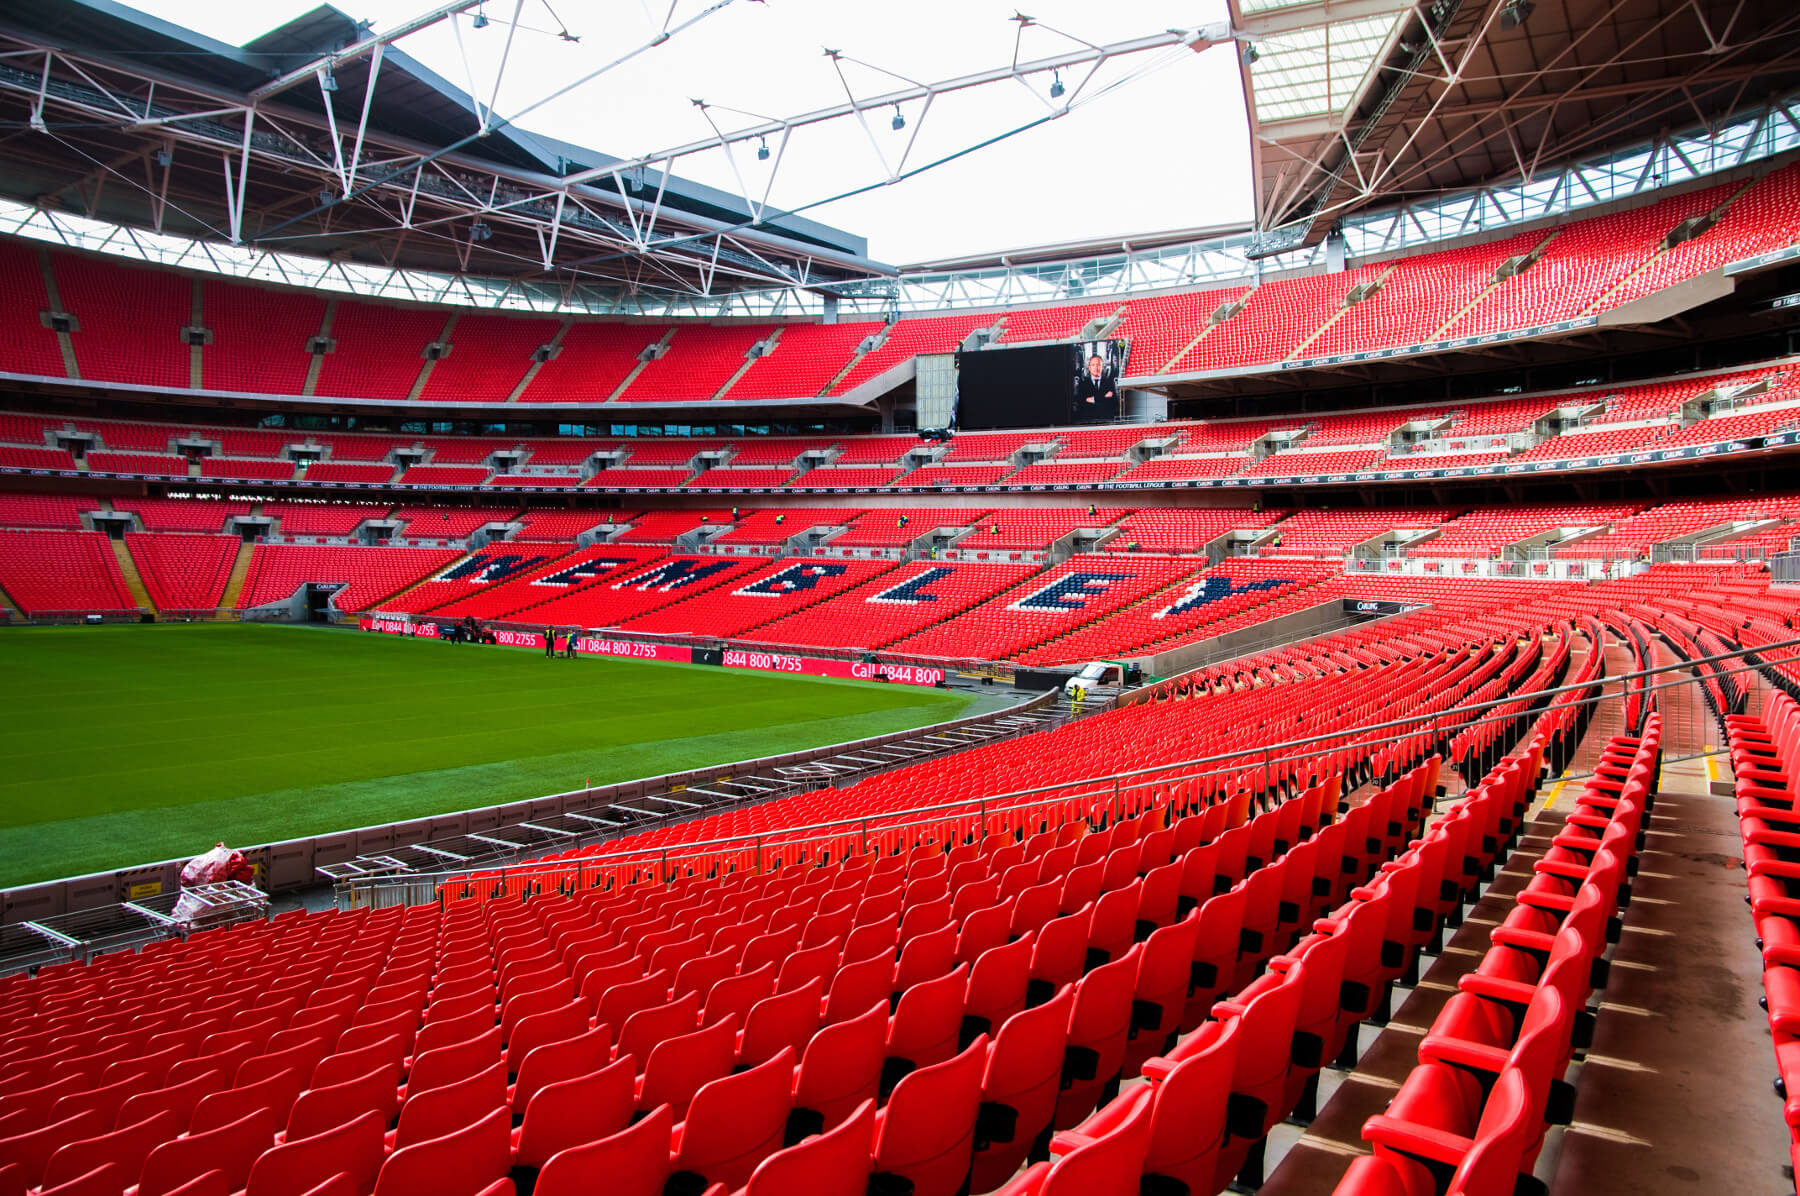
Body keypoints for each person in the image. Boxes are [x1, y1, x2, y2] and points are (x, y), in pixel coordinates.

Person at [1073, 353, 1119, 422]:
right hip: (1088, 420)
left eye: (1098, 365)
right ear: (1089, 367)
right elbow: (1081, 404)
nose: (1096, 368)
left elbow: (1113, 403)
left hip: (1106, 420)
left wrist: (1092, 399)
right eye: (1093, 365)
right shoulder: (1083, 384)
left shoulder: (1109, 383)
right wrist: (1104, 398)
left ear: (1102, 367)